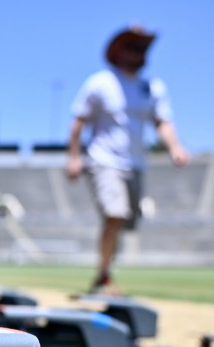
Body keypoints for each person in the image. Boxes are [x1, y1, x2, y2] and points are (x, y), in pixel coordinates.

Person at [66, 25, 190, 295]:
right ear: (119, 52)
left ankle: (105, 271)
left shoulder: (152, 88)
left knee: (123, 223)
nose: (138, 53)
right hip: (103, 160)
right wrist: (74, 158)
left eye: (142, 48)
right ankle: (104, 275)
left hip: (135, 165)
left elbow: (163, 122)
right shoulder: (100, 83)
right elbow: (78, 123)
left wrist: (175, 147)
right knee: (114, 214)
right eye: (132, 47)